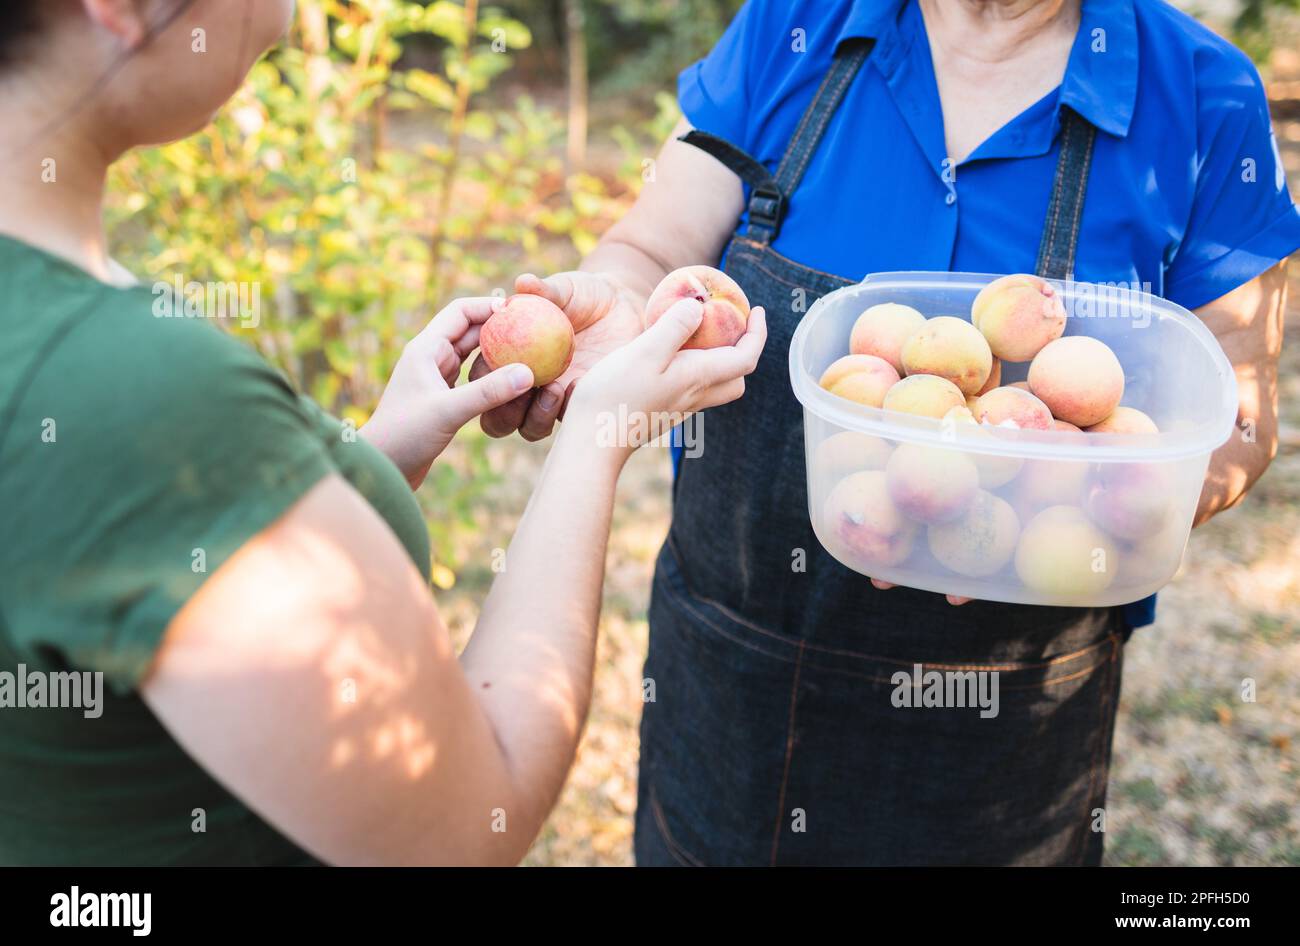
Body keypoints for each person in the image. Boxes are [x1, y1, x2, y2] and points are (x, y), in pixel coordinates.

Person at [477, 0, 1300, 864]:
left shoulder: (1206, 96)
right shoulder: (793, 25)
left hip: (1002, 713)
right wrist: (616, 308)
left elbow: (1238, 412)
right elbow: (651, 247)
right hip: (732, 670)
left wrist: (1091, 494)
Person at [0, 0, 765, 865]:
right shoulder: (145, 395)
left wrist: (361, 461)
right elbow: (475, 820)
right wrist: (599, 433)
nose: (285, 17)